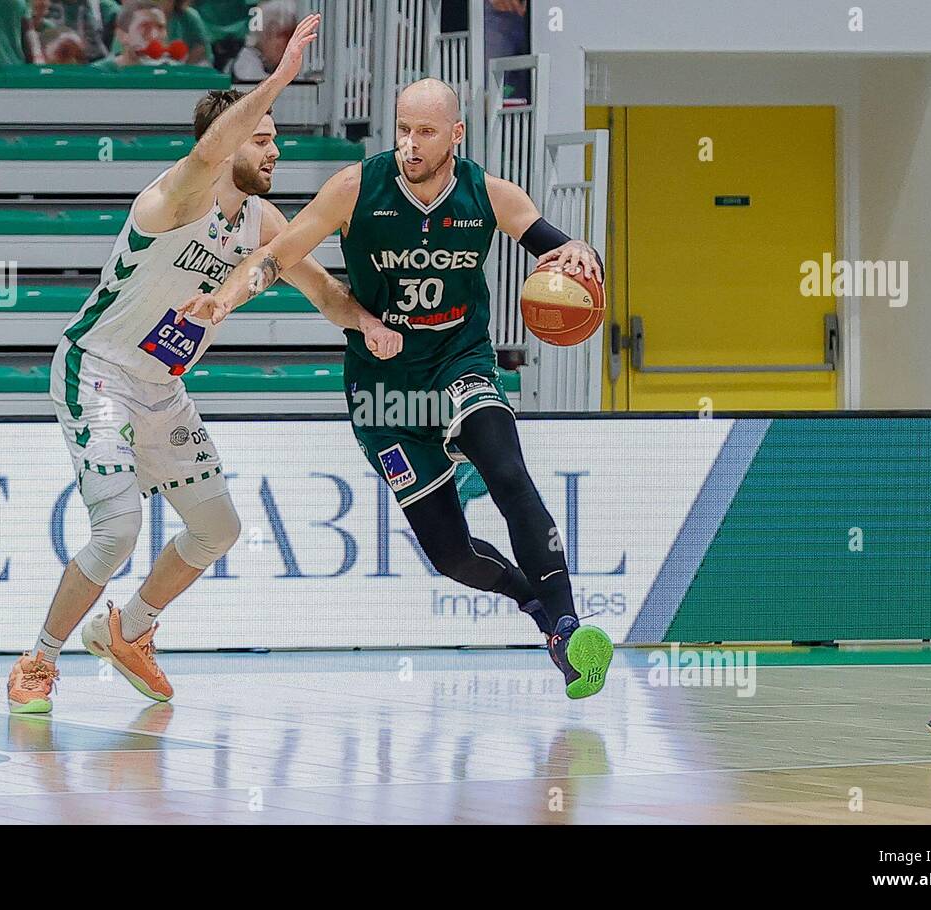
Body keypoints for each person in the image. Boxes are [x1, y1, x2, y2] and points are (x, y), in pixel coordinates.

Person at [7, 13, 401, 712]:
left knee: (218, 528)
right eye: (263, 137)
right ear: (223, 147)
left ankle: (129, 631)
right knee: (117, 530)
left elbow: (323, 294)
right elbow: (214, 144)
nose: (274, 151)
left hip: (161, 388)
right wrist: (276, 78)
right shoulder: (177, 196)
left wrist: (366, 323)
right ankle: (38, 662)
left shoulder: (264, 223)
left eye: (277, 139)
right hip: (96, 369)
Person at [178, 78, 615, 700]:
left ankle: (571, 626)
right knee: (452, 555)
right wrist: (222, 301)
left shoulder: (488, 193)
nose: (410, 144)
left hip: (459, 364)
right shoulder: (356, 188)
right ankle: (538, 612)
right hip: (385, 392)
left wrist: (579, 252)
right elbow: (277, 254)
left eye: (426, 132)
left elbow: (557, 242)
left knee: (508, 472)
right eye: (403, 128)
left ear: (456, 136)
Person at [230, 0, 296, 81]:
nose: (290, 42)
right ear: (269, 33)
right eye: (286, 35)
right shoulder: (247, 63)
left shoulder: (268, 62)